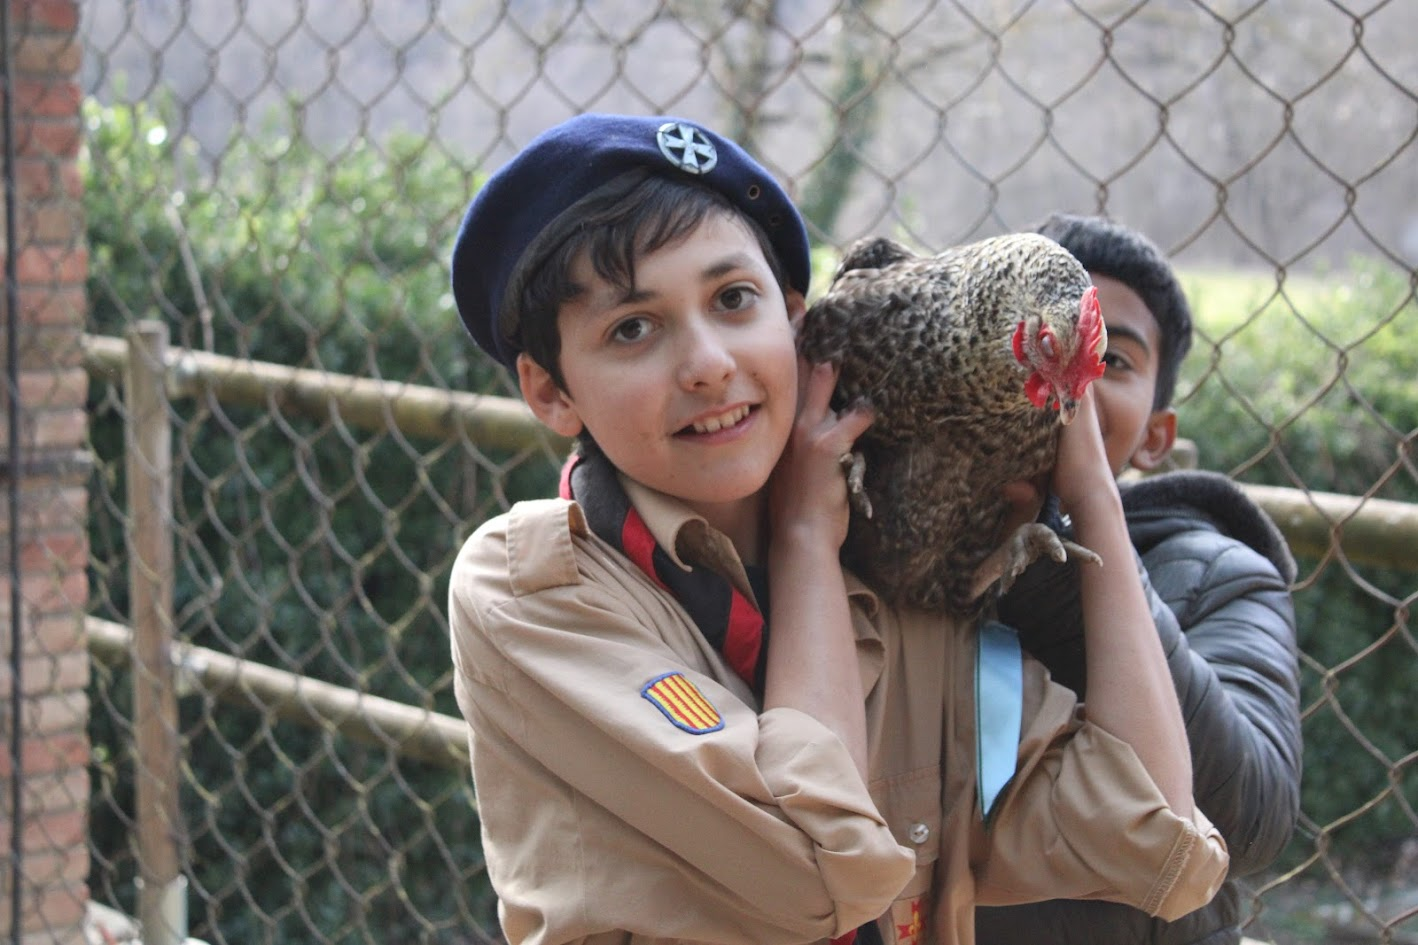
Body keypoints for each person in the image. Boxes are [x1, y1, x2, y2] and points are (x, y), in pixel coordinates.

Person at [445, 114, 1228, 945]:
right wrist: (805, 544)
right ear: (550, 391)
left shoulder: (897, 580)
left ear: (794, 320)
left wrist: (1092, 496)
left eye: (733, 299)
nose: (708, 362)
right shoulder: (534, 589)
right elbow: (816, 872)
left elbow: (1148, 835)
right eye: (632, 327)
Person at [980, 213, 1303, 945]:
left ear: (1157, 437)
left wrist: (1075, 530)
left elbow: (1250, 817)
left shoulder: (1221, 573)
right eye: (1033, 335)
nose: (1065, 372)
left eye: (1113, 359)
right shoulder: (888, 544)